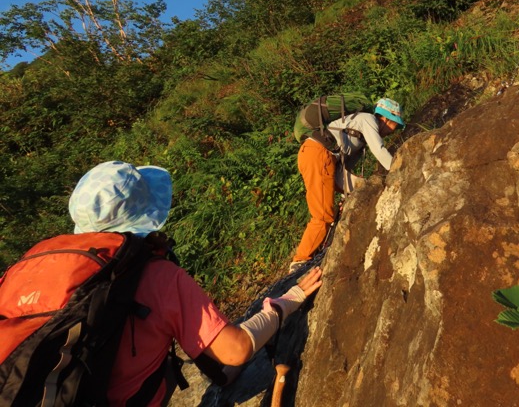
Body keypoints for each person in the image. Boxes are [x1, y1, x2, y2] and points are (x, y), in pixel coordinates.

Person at [67, 161, 323, 406]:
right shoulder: (157, 276)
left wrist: (221, 372)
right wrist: (286, 302)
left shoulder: (59, 273)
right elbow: (237, 349)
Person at [291, 98, 404, 271]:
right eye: (395, 124)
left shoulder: (359, 136)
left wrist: (348, 196)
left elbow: (345, 170)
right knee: (323, 216)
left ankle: (322, 247)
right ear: (387, 119)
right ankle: (300, 261)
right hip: (318, 155)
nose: (393, 131)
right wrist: (400, 172)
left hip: (324, 158)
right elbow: (380, 151)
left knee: (364, 189)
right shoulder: (368, 120)